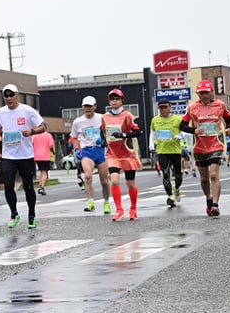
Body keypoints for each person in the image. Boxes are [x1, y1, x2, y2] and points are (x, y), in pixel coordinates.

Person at [0, 83, 46, 229]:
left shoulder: (27, 110)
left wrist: (32, 132)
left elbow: (43, 126)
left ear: (17, 95)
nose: (9, 98)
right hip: (9, 155)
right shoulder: (0, 113)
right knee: (8, 185)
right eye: (6, 95)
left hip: (26, 155)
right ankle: (14, 213)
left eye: (12, 95)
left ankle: (31, 214)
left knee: (28, 186)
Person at [179, 80, 230, 217]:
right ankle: (209, 199)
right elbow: (182, 125)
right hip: (199, 146)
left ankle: (215, 205)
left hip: (216, 144)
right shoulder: (192, 108)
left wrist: (229, 128)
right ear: (197, 93)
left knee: (214, 175)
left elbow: (229, 119)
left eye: (206, 92)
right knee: (204, 178)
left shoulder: (220, 105)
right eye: (201, 93)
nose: (204, 95)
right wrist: (194, 130)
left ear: (211, 92)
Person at [102, 89, 142, 221]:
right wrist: (102, 141)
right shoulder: (104, 117)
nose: (114, 101)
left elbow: (137, 132)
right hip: (112, 154)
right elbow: (102, 132)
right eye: (112, 99)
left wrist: (124, 135)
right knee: (114, 180)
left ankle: (133, 208)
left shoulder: (128, 116)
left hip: (127, 154)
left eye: (117, 98)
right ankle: (119, 209)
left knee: (130, 183)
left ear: (122, 100)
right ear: (109, 101)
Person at [70, 95, 111, 214]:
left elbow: (108, 132)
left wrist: (104, 141)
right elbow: (74, 137)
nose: (88, 108)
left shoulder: (102, 118)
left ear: (95, 106)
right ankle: (90, 201)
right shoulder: (78, 122)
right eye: (85, 106)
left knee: (104, 180)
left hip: (100, 150)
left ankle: (106, 202)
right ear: (82, 107)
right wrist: (77, 149)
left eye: (90, 106)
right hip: (87, 151)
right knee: (88, 176)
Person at [150, 99, 184, 207]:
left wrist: (181, 135)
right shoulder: (155, 120)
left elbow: (185, 131)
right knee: (165, 173)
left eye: (165, 107)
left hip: (175, 151)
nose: (163, 110)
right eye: (161, 108)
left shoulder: (178, 119)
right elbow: (152, 133)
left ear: (170, 107)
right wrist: (151, 144)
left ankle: (177, 188)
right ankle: (170, 196)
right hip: (162, 151)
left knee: (178, 176)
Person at [32, 128, 55, 196]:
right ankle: (42, 187)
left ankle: (40, 185)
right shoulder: (48, 135)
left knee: (41, 171)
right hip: (45, 156)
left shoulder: (34, 135)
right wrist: (53, 152)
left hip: (36, 155)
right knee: (44, 172)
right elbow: (51, 146)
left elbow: (31, 144)